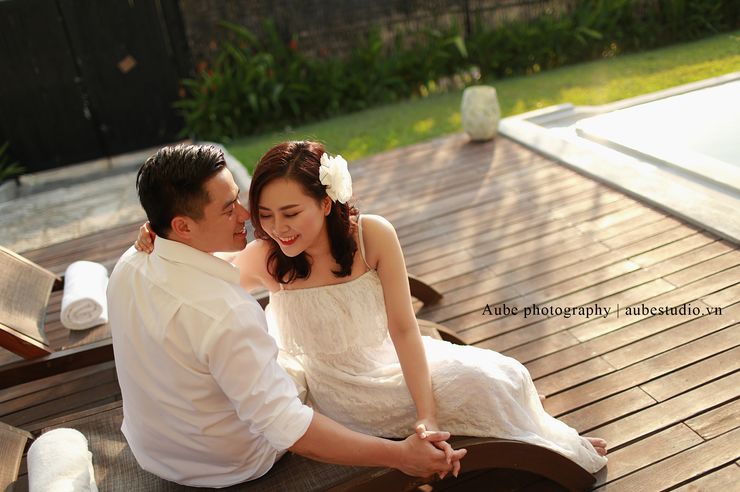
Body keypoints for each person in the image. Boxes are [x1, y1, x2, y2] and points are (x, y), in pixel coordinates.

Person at [136, 141, 608, 476]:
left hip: (387, 364)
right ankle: (549, 447)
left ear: (325, 203)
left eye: (291, 213)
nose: (277, 228)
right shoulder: (265, 257)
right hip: (331, 394)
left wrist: (427, 415)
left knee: (504, 374)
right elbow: (203, 271)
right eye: (265, 214)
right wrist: (157, 235)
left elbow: (404, 328)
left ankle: (553, 441)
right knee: (485, 384)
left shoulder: (372, 235)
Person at [110, 144, 466, 488]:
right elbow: (287, 426)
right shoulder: (228, 309)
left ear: (326, 202)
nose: (246, 216)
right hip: (232, 460)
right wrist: (401, 456)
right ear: (183, 227)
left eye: (240, 199)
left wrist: (161, 233)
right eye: (230, 208)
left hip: (155, 450)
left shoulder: (129, 264)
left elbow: (403, 328)